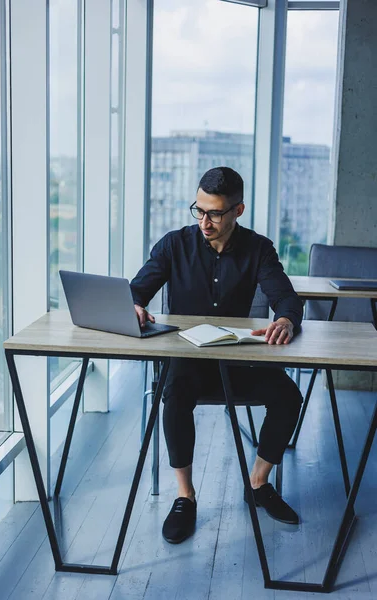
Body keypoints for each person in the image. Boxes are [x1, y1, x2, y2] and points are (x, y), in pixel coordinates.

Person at [130, 166, 303, 544]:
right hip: (189, 361)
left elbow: (286, 298)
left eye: (215, 213)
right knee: (173, 396)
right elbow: (136, 290)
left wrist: (287, 319)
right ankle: (185, 495)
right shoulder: (174, 245)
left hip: (238, 361)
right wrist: (135, 306)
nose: (204, 222)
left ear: (238, 211)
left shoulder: (258, 249)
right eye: (199, 210)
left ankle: (258, 483)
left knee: (289, 396)